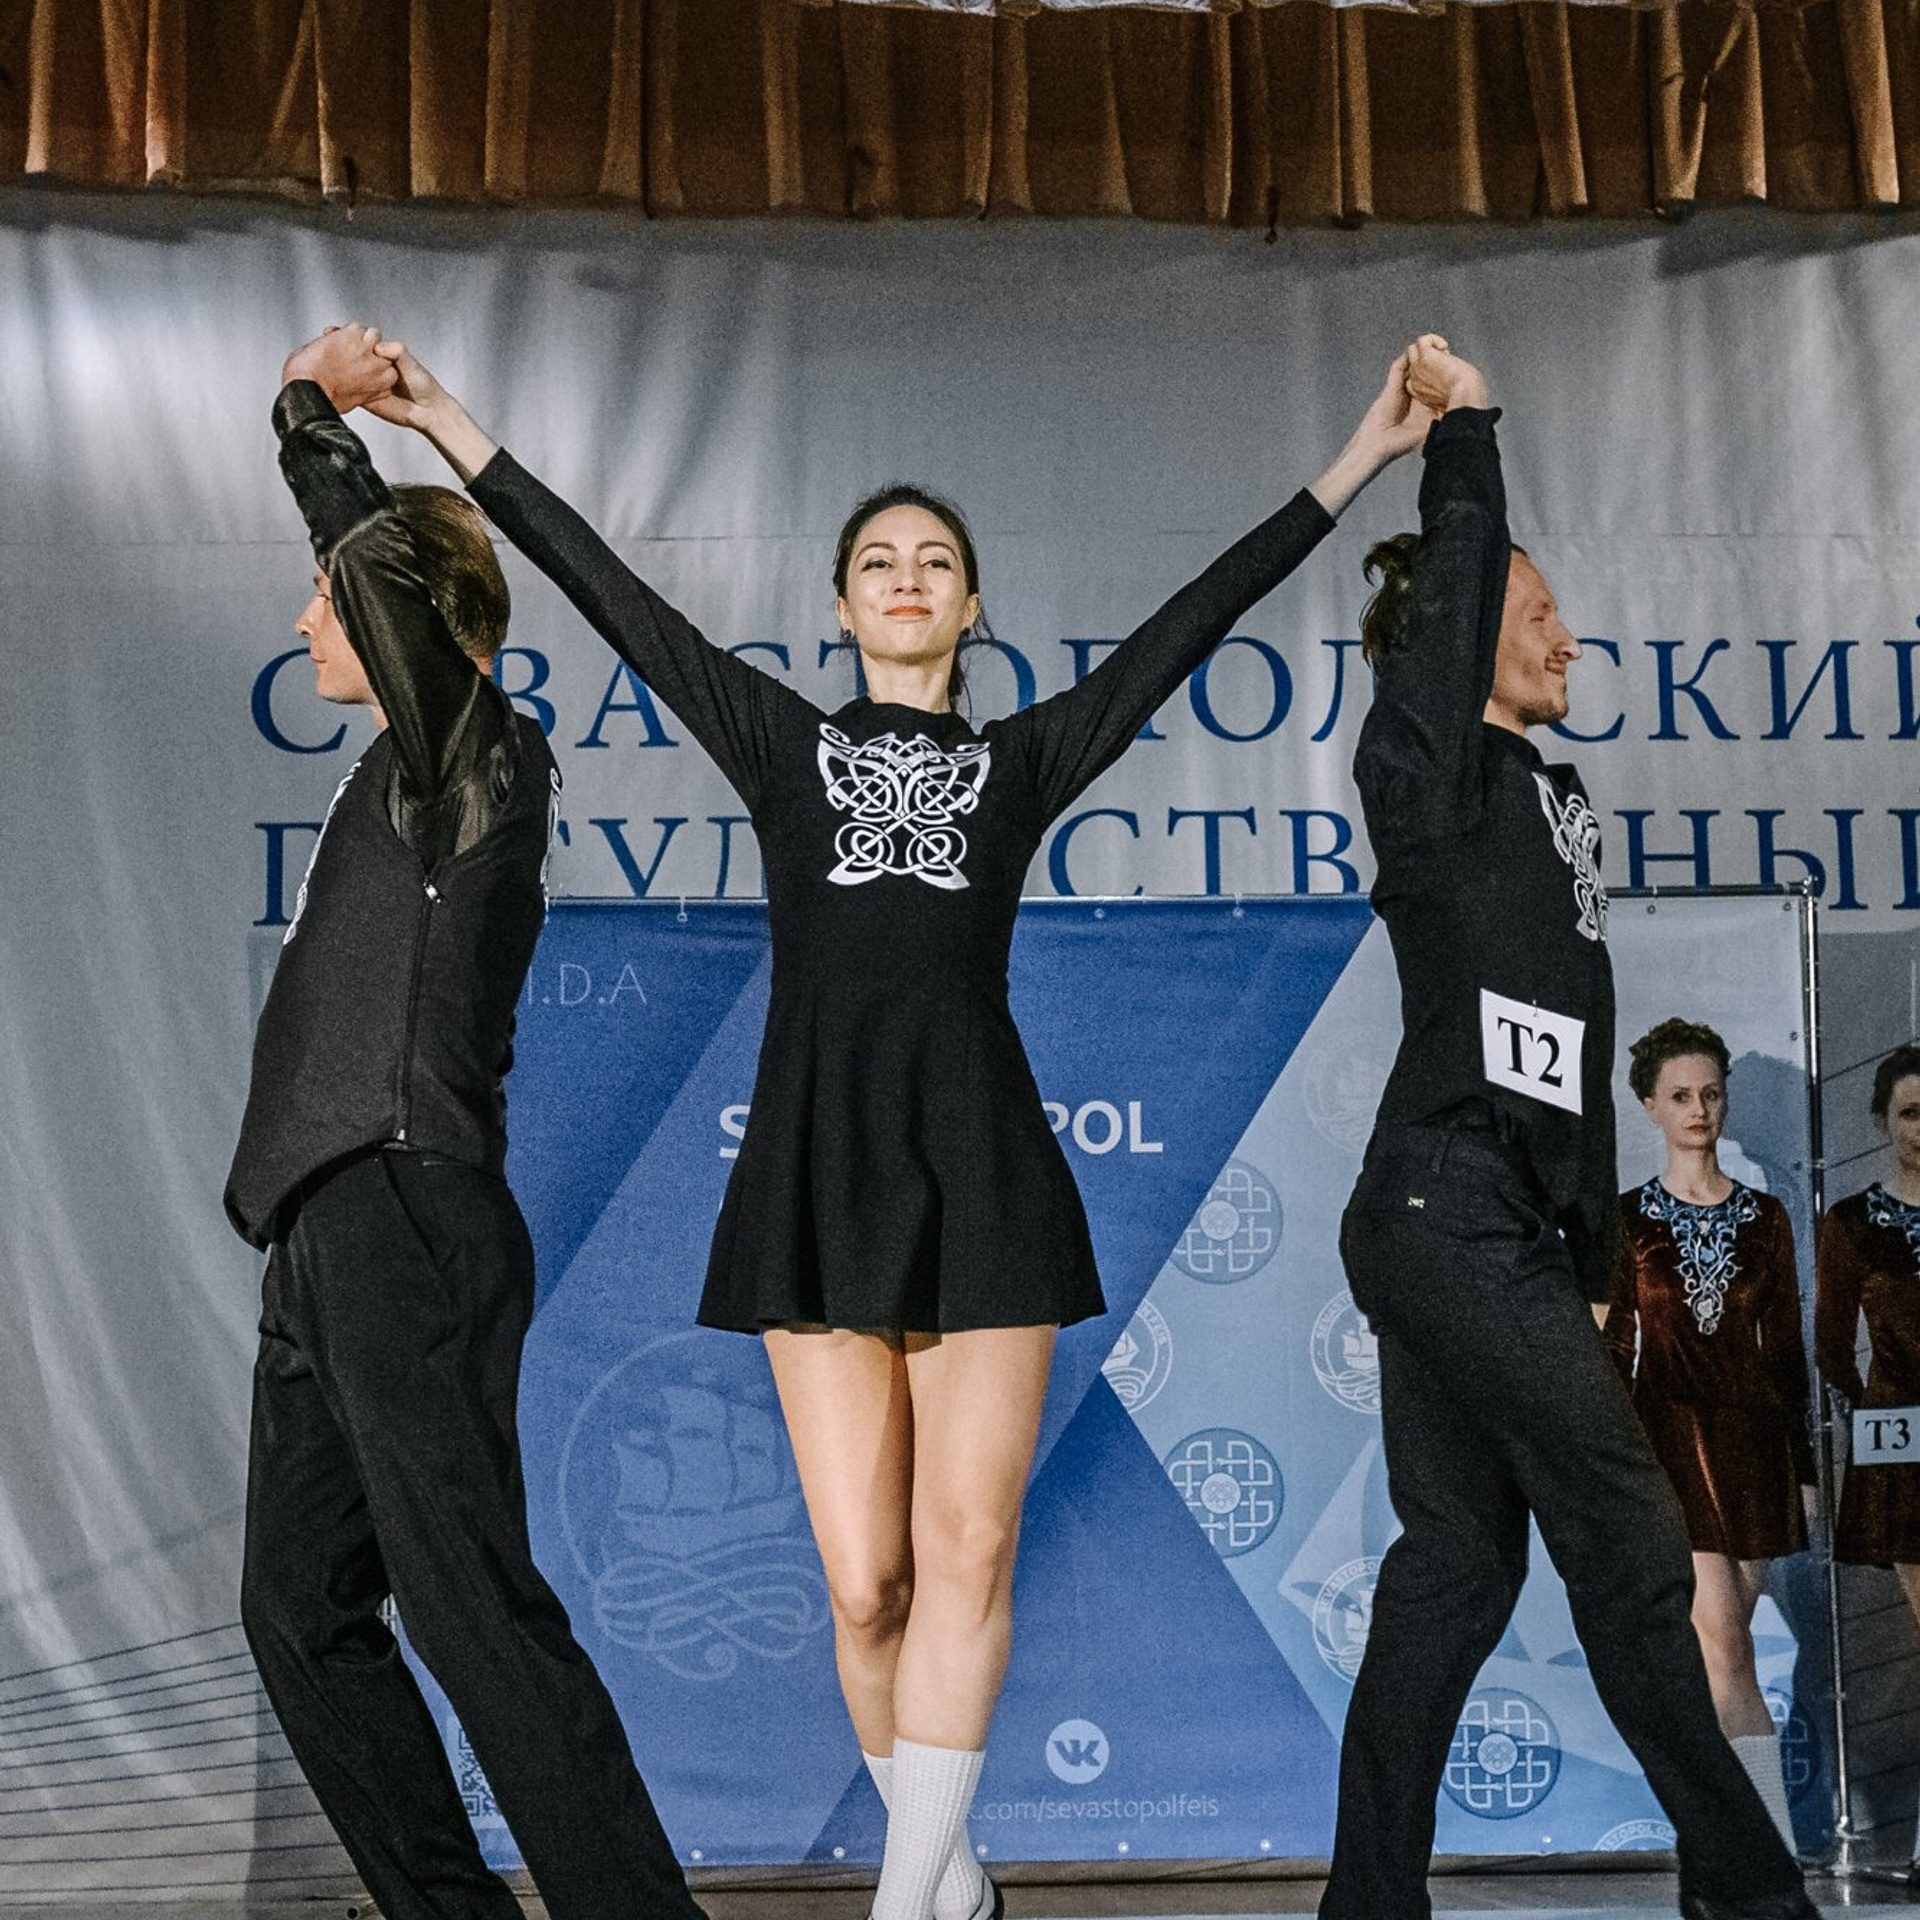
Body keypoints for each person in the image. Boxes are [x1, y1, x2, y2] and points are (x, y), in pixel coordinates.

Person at [363, 335, 1435, 1920]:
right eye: (880, 561)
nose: (909, 577)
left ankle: (907, 1896)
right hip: (818, 1176)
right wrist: (447, 423)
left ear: (972, 606)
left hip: (984, 1175)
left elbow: (1195, 620)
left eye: (936, 561)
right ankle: (959, 1878)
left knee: (970, 1549)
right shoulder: (782, 745)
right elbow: (609, 593)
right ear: (844, 607)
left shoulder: (1022, 759)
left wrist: (1362, 455)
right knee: (867, 1587)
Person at [1320, 337, 1816, 1920]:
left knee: (1458, 1569)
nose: (1569, 637)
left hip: (1500, 1227)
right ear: (1460, 631)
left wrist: (1594, 1258)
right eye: (1538, 613)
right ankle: (1748, 1890)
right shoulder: (1424, 770)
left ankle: (1366, 1906)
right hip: (1441, 1208)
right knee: (1629, 1530)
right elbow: (1461, 569)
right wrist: (1466, 433)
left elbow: (1569, 1057)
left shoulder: (1553, 798)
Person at [228, 326, 706, 1920]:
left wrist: (309, 411)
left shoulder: (473, 752)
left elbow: (373, 563)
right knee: (300, 1608)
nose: (306, 617)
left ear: (407, 613)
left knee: (470, 1608)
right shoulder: (403, 773)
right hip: (325, 1224)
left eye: (327, 596)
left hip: (401, 1209)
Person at [1606, 1018, 1814, 1847]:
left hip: (1755, 1448)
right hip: (1668, 1443)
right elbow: (1614, 1351)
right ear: (1651, 1107)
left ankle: (1723, 1844)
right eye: (1682, 1096)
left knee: (1722, 1659)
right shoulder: (1626, 1220)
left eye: (1712, 1094)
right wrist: (1614, 1471)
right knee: (1727, 1649)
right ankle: (1770, 1853)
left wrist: (1804, 1469)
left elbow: (1788, 1353)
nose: (1699, 1109)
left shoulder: (1767, 1217)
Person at [1815, 1042, 1920, 1885]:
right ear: (1883, 1121)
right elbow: (1828, 1344)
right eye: (1911, 1113)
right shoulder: (1851, 1222)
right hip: (1901, 1437)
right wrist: (1872, 1410)